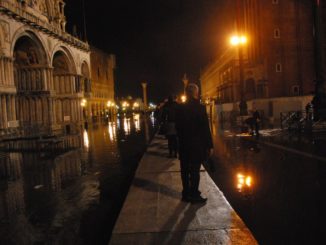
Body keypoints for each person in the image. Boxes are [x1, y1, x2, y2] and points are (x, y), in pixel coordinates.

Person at [176, 83, 213, 203]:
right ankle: (194, 194)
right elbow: (205, 128)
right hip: (197, 144)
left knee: (185, 170)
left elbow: (178, 127)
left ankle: (186, 194)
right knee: (195, 170)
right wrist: (209, 145)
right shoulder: (200, 107)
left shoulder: (180, 108)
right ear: (196, 93)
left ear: (186, 93)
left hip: (184, 144)